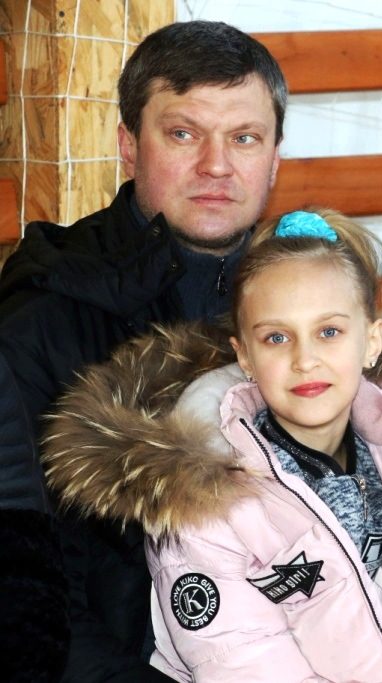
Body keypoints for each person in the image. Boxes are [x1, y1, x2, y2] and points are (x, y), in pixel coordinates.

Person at [43, 208, 382, 682]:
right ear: (244, 356)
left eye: (329, 332)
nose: (305, 359)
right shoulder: (211, 500)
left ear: (372, 342)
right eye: (277, 337)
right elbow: (245, 661)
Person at [0, 21, 285, 682]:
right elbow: (30, 602)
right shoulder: (40, 321)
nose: (217, 165)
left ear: (275, 157)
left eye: (244, 138)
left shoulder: (313, 306)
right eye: (183, 134)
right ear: (128, 145)